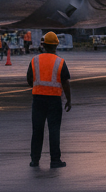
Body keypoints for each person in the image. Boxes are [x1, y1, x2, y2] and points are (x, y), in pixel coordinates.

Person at [26, 30, 72, 167]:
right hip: (54, 100)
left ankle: (35, 160)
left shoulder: (35, 60)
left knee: (37, 130)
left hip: (38, 100)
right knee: (54, 130)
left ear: (43, 45)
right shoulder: (60, 62)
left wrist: (39, 87)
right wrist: (68, 100)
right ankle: (55, 160)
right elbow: (65, 83)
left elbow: (29, 79)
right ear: (56, 46)